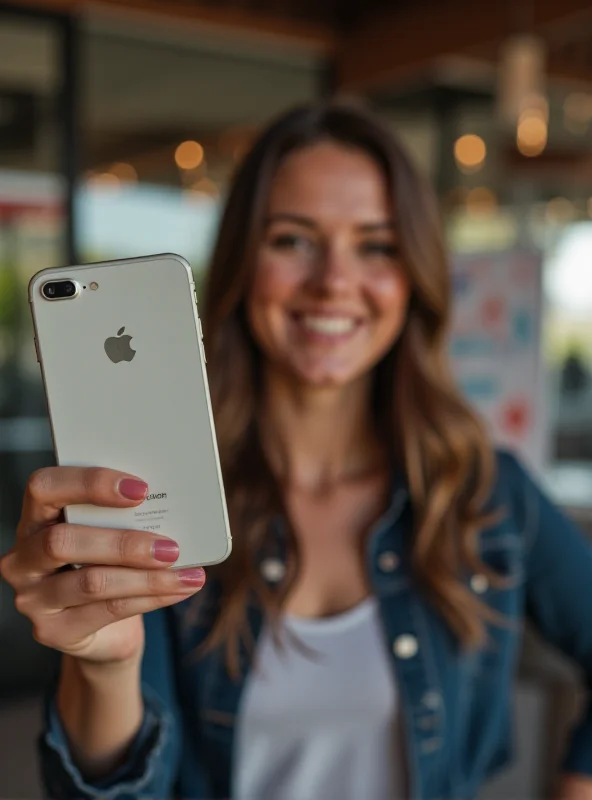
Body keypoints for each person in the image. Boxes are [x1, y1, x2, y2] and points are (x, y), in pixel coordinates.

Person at [2, 101, 592, 800]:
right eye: (293, 240)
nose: (334, 281)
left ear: (413, 275)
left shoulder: (485, 492)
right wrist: (103, 667)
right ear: (244, 263)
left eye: (376, 245)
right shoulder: (164, 497)